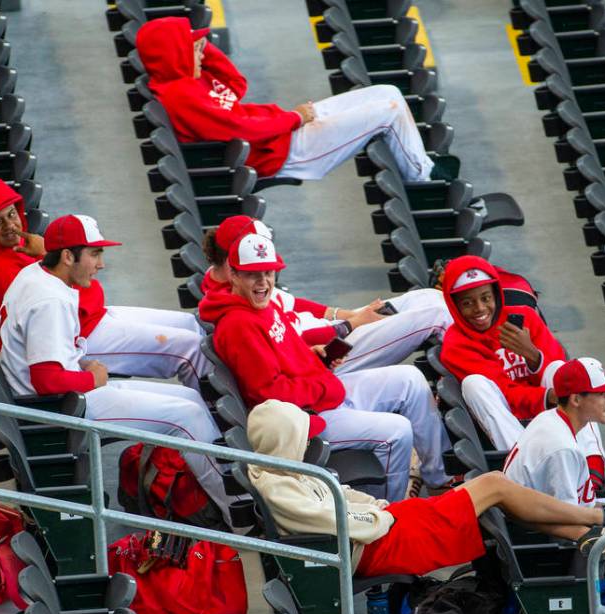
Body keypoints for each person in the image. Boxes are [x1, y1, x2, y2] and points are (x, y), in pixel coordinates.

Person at [0, 214, 236, 523]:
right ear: (68, 256)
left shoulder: (38, 272)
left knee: (190, 401)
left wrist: (83, 366)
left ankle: (223, 491)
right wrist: (90, 377)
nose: (101, 264)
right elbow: (46, 380)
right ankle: (238, 512)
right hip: (57, 408)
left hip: (60, 395)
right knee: (186, 418)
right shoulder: (49, 302)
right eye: (94, 254)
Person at [247, 399, 605, 576]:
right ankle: (600, 519)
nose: (313, 443)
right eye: (304, 436)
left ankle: (591, 535)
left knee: (497, 493)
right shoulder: (281, 487)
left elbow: (345, 497)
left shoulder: (288, 471)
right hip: (381, 543)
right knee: (496, 486)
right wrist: (379, 513)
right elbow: (347, 521)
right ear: (285, 443)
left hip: (386, 526)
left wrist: (376, 506)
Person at [199, 232, 452, 502]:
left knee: (410, 379)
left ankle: (440, 479)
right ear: (234, 275)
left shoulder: (259, 304)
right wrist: (323, 386)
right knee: (397, 432)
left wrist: (314, 358)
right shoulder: (239, 324)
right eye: (253, 274)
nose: (263, 282)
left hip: (318, 395)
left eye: (269, 273)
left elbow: (285, 352)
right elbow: (269, 394)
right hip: (303, 420)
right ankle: (387, 519)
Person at [0, 178, 212, 392]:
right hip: (79, 336)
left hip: (90, 318)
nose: (10, 226)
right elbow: (74, 302)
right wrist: (48, 250)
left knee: (190, 324)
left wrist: (45, 252)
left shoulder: (9, 250)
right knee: (190, 349)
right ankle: (220, 427)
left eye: (12, 214)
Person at [135, 17, 436, 182]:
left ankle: (420, 166)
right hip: (284, 151)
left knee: (388, 92)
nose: (201, 53)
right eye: (193, 48)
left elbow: (236, 86)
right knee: (389, 110)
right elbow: (243, 130)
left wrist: (204, 50)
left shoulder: (185, 79)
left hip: (280, 131)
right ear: (173, 53)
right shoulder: (181, 95)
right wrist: (295, 118)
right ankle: (425, 180)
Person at [504, 358, 605, 614]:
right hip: (548, 541)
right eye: (602, 394)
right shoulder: (561, 447)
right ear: (576, 399)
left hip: (556, 518)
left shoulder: (555, 418)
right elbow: (563, 523)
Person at [199, 215, 453, 372]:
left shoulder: (247, 279)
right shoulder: (240, 297)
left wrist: (346, 314)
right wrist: (350, 323)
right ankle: (475, 369)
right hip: (329, 353)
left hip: (334, 329)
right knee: (435, 314)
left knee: (428, 296)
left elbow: (293, 303)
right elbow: (292, 343)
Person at [439, 256, 605, 488]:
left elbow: (561, 369)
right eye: (467, 303)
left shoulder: (525, 317)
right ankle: (529, 471)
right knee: (474, 384)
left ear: (496, 294)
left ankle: (592, 469)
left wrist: (533, 355)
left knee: (563, 370)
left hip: (549, 409)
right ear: (455, 306)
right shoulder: (455, 344)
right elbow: (507, 394)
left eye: (485, 298)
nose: (480, 309)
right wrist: (548, 397)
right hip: (508, 421)